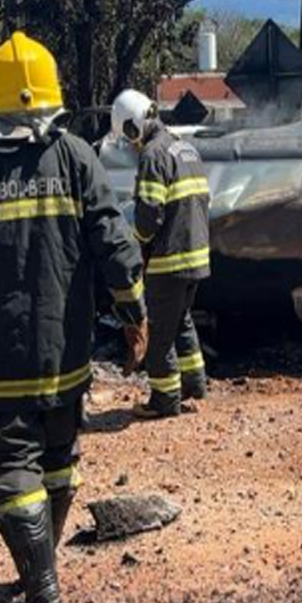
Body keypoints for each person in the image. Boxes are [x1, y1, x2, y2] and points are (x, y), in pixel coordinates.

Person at [0, 32, 148, 603]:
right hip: (68, 351)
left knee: (12, 462)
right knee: (59, 455)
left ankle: (41, 581)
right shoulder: (77, 159)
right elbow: (115, 242)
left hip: (4, 356)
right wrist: (134, 310)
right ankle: (39, 569)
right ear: (50, 95)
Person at [109, 89, 211, 420]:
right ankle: (195, 387)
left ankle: (164, 401)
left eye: (128, 136)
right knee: (181, 322)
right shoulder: (186, 149)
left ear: (132, 126)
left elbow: (149, 215)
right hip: (196, 257)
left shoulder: (153, 155)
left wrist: (137, 243)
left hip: (170, 260)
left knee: (158, 334)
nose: (130, 144)